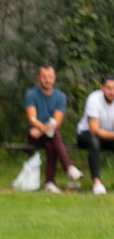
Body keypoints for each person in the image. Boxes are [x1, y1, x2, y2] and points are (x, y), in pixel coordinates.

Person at [24, 65, 83, 193]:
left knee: (52, 141)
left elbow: (57, 121)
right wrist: (42, 129)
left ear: (54, 78)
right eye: (44, 77)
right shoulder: (31, 94)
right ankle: (67, 168)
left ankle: (50, 183)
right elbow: (32, 118)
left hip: (47, 133)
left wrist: (41, 130)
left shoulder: (60, 96)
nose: (47, 80)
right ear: (38, 78)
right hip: (34, 136)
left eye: (50, 77)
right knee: (53, 136)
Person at [76, 74, 114, 195]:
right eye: (108, 88)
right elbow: (94, 130)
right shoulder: (93, 99)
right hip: (86, 134)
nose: (112, 92)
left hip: (108, 134)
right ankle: (96, 183)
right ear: (102, 88)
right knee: (94, 141)